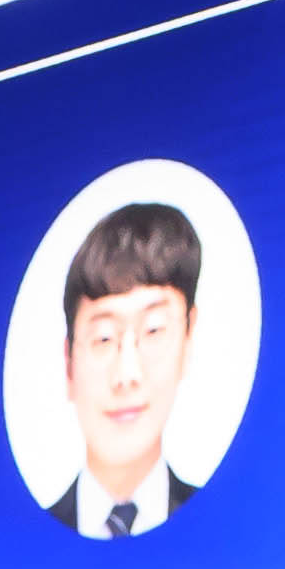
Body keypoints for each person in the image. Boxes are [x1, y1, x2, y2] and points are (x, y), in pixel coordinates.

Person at [48, 198, 208, 536]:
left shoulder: (224, 526)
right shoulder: (26, 542)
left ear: (188, 338)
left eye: (153, 331)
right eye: (104, 338)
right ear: (68, 364)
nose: (127, 375)